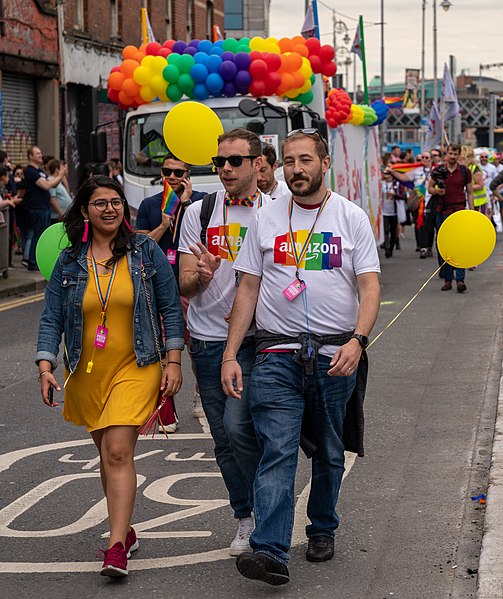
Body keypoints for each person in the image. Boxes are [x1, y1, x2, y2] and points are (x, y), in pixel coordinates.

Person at [221, 129, 381, 586]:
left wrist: (358, 341)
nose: (296, 170)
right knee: (278, 450)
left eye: (305, 160)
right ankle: (269, 550)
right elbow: (247, 288)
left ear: (324, 163)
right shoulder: (266, 219)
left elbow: (369, 286)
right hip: (275, 354)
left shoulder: (350, 217)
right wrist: (231, 353)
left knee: (330, 451)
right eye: (289, 161)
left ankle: (323, 527)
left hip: (336, 355)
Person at [36, 175, 184, 577]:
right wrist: (46, 366)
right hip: (86, 371)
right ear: (85, 211)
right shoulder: (69, 261)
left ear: (124, 207)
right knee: (107, 455)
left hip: (138, 365)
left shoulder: (145, 251)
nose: (110, 209)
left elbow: (170, 309)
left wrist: (173, 362)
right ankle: (127, 530)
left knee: (118, 451)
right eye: (100, 203)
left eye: (116, 202)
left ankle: (115, 546)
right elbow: (51, 318)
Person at [178, 128, 268, 557]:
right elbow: (185, 285)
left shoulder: (275, 211)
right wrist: (202, 277)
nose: (226, 169)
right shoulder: (200, 211)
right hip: (207, 342)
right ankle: (245, 516)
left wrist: (253, 307)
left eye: (234, 161)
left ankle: (265, 511)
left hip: (255, 342)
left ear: (256, 163)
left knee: (240, 427)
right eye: (219, 163)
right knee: (223, 438)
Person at [136, 152, 207, 422]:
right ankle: (166, 408)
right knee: (165, 349)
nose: (172, 178)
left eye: (178, 173)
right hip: (159, 286)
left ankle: (201, 395)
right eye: (167, 172)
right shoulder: (149, 205)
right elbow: (141, 248)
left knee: (197, 347)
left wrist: (186, 208)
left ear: (188, 175)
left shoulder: (201, 202)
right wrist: (164, 224)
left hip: (192, 286)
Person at [428, 143, 473, 293]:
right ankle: (448, 279)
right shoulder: (438, 170)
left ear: (459, 155)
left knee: (460, 245)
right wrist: (436, 191)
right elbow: (429, 188)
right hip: (443, 211)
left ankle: (460, 280)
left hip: (459, 211)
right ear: (446, 154)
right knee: (444, 246)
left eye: (455, 154)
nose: (452, 157)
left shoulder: (464, 171)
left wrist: (472, 212)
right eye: (450, 154)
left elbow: (470, 192)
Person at [23, 146, 65, 271]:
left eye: (41, 153)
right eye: (37, 153)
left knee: (42, 236)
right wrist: (60, 175)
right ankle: (32, 262)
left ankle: (37, 260)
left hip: (44, 208)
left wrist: (60, 176)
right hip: (37, 208)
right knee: (37, 236)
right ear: (30, 156)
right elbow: (47, 186)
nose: (40, 155)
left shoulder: (40, 171)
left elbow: (53, 184)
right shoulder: (31, 171)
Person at [388, 152, 434, 257]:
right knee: (420, 223)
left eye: (426, 157)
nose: (424, 159)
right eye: (422, 157)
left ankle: (429, 246)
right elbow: (404, 177)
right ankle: (423, 248)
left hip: (432, 200)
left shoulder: (435, 170)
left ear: (431, 159)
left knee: (430, 225)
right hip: (419, 201)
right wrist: (393, 171)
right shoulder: (417, 171)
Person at [48, 159, 72, 224]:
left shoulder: (58, 181)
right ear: (57, 170)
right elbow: (52, 199)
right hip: (57, 217)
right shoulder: (51, 180)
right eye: (62, 168)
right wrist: (61, 213)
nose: (64, 170)